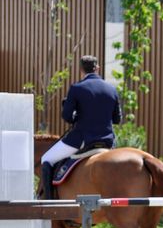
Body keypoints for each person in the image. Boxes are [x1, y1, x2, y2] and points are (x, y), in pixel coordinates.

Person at [39, 55, 121, 199]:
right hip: (108, 141)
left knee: (46, 159)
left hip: (82, 140)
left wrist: (77, 115)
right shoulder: (112, 89)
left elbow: (67, 117)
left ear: (81, 70)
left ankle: (49, 202)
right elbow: (117, 119)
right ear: (97, 69)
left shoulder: (76, 88)